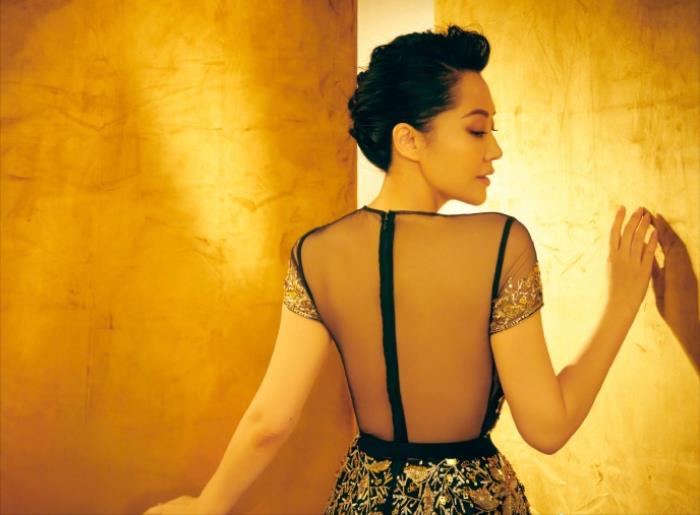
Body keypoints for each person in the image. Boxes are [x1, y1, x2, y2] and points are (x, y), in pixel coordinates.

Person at [144, 24, 657, 515]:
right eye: (477, 130)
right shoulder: (500, 243)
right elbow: (548, 428)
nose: (495, 149)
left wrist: (206, 506)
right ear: (408, 140)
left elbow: (270, 422)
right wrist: (621, 303)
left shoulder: (315, 254)